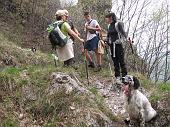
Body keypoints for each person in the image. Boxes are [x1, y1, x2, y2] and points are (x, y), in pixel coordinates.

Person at [105, 12, 128, 83]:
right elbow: (108, 36)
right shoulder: (109, 26)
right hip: (112, 46)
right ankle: (117, 76)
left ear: (111, 17)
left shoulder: (118, 24)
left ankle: (124, 77)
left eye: (107, 18)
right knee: (115, 61)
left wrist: (120, 41)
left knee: (121, 61)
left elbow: (124, 34)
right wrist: (107, 42)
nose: (106, 20)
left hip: (118, 45)